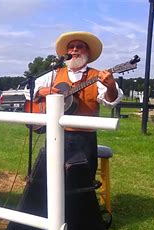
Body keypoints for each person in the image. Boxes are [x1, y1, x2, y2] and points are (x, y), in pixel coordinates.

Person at [27, 31, 123, 180]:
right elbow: (29, 90)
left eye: (80, 46)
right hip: (55, 134)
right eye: (71, 47)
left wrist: (110, 87)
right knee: (51, 176)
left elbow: (110, 101)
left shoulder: (97, 76)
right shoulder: (55, 73)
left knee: (81, 179)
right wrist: (42, 91)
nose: (74, 49)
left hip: (84, 138)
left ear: (88, 53)